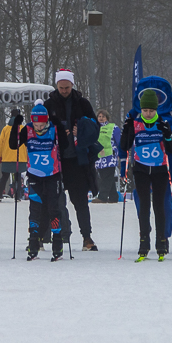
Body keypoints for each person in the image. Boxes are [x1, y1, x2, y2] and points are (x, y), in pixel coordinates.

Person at [43, 69, 100, 251]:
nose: (64, 90)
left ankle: (86, 237)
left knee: (80, 201)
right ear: (57, 86)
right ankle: (44, 236)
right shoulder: (49, 104)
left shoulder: (82, 103)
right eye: (61, 87)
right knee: (51, 201)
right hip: (55, 161)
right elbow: (40, 128)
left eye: (67, 87)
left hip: (77, 160)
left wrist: (80, 132)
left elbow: (95, 128)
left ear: (72, 85)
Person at [119, 89, 172, 261]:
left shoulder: (162, 123)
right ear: (141, 110)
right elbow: (124, 146)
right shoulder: (135, 124)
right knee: (143, 206)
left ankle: (162, 242)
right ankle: (144, 242)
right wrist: (127, 129)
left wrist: (167, 135)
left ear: (156, 109)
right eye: (145, 110)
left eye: (151, 110)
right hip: (141, 170)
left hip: (159, 170)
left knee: (159, 206)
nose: (149, 114)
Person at [9, 101, 66, 261]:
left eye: (42, 124)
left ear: (46, 121)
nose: (39, 127)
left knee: (53, 209)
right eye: (36, 124)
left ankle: (57, 242)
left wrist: (59, 126)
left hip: (52, 175)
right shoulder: (27, 130)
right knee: (35, 210)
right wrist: (16, 125)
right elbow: (14, 145)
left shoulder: (53, 129)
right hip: (34, 176)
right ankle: (33, 243)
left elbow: (65, 144)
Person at [0, 111, 28, 200]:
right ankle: (17, 196)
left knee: (5, 177)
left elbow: (0, 144)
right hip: (20, 157)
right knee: (17, 177)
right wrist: (27, 156)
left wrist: (0, 156)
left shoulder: (5, 129)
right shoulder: (23, 128)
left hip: (7, 157)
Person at [94, 109, 121, 202]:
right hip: (99, 157)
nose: (101, 118)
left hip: (110, 156)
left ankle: (102, 197)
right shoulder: (94, 128)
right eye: (99, 116)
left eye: (103, 117)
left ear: (107, 118)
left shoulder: (113, 127)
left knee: (107, 176)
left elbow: (119, 141)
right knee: (105, 177)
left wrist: (118, 153)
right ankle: (113, 197)